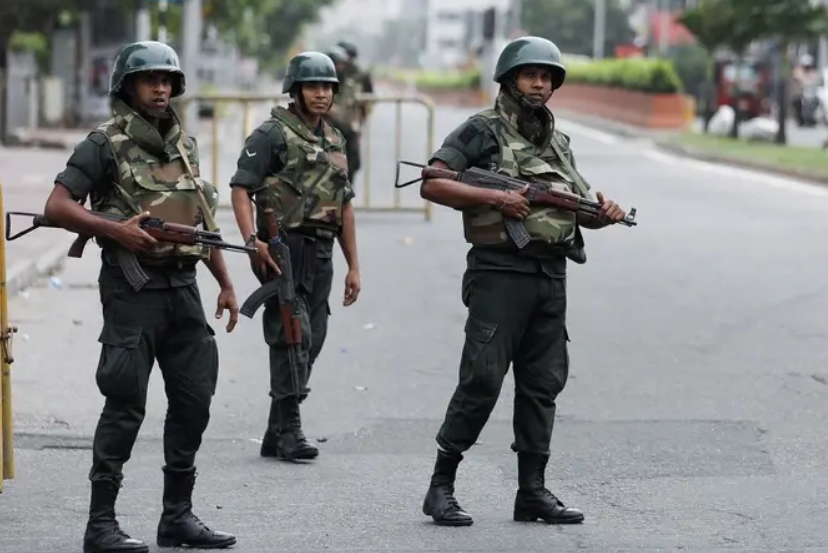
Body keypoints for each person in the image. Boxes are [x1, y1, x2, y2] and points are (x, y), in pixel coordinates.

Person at [418, 36, 628, 527]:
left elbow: (574, 208)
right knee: (482, 377)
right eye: (531, 74)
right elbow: (432, 180)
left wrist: (604, 214)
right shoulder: (481, 131)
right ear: (509, 79)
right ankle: (440, 487)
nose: (540, 83)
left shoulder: (559, 142)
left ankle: (531, 491)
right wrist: (495, 200)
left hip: (550, 275)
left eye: (548, 76)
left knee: (542, 385)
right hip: (500, 273)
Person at [43, 41, 238, 553]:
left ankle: (178, 517)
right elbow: (58, 205)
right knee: (125, 404)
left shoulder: (185, 146)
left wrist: (227, 283)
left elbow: (203, 224)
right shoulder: (103, 144)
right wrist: (117, 232)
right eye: (149, 79)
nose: (160, 88)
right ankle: (100, 525)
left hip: (184, 290)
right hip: (133, 291)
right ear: (127, 86)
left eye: (167, 80)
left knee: (194, 401)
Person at [229, 51, 361, 462]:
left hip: (322, 252)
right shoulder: (271, 134)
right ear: (296, 90)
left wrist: (354, 265)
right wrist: (254, 240)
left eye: (327, 87)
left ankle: (275, 429)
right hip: (284, 249)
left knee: (313, 339)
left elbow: (345, 205)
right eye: (313, 86)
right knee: (292, 335)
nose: (322, 94)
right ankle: (290, 431)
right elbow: (240, 189)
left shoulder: (336, 139)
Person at [325, 45, 364, 182]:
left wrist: (358, 130)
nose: (340, 67)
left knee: (353, 165)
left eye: (342, 64)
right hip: (328, 132)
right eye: (338, 64)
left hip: (348, 130)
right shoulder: (321, 85)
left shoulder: (350, 84)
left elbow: (357, 108)